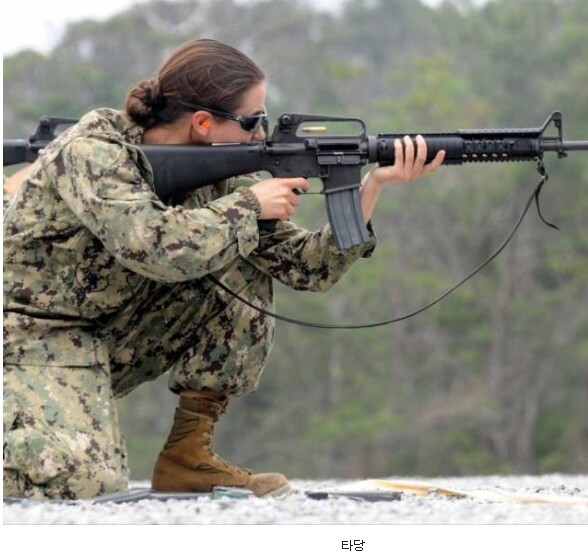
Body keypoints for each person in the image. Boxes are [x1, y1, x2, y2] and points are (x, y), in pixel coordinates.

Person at [3, 38, 445, 500]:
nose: (260, 135)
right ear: (202, 122)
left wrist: (371, 186)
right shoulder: (93, 152)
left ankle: (188, 458)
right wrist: (250, 205)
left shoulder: (223, 176)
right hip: (30, 338)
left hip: (105, 335)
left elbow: (306, 269)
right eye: (252, 122)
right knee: (80, 488)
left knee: (239, 258)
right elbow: (153, 246)